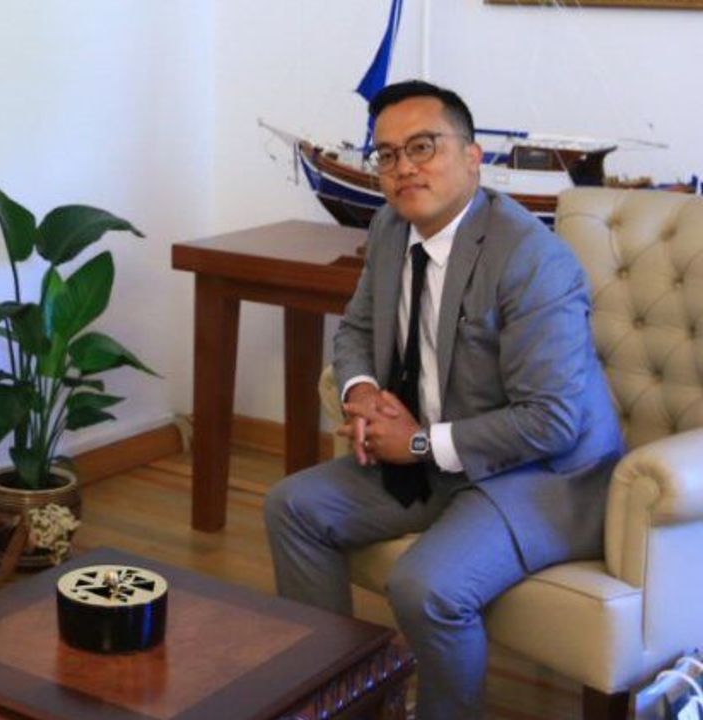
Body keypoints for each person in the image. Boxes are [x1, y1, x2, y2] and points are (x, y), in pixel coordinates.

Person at [264, 80, 623, 719]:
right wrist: (362, 392)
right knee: (293, 506)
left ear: (472, 157)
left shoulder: (532, 260)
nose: (403, 167)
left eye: (423, 147)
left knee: (425, 586)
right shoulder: (388, 228)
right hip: (437, 455)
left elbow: (554, 421)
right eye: (387, 154)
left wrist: (419, 442)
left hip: (544, 476)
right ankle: (340, 704)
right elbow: (356, 331)